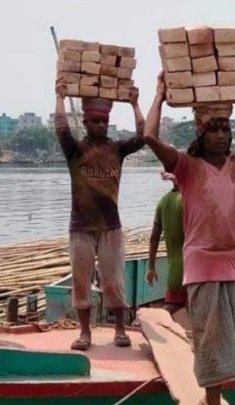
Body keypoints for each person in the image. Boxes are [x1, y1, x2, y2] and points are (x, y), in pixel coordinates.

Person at [143, 73, 235, 405]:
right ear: (200, 135)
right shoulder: (188, 169)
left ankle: (213, 400)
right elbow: (149, 137)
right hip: (203, 267)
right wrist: (159, 96)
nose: (221, 135)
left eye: (225, 129)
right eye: (213, 129)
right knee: (210, 342)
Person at [54, 80, 145, 351]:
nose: (100, 125)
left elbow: (143, 136)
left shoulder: (116, 149)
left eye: (104, 121)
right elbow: (61, 130)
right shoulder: (75, 150)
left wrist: (134, 104)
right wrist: (60, 97)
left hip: (110, 226)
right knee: (81, 281)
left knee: (113, 281)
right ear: (85, 123)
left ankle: (120, 329)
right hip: (81, 226)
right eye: (95, 121)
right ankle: (85, 332)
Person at [146, 172, 185, 314]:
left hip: (175, 271)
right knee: (200, 309)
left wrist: (151, 267)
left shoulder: (163, 202)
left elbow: (154, 237)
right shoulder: (190, 199)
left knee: (170, 307)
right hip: (194, 268)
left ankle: (155, 322)